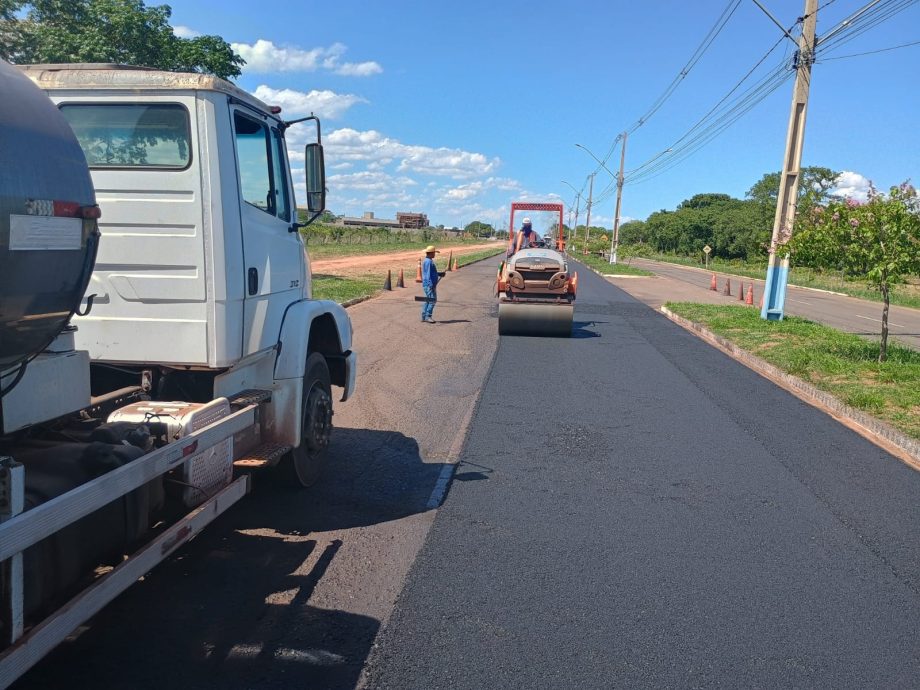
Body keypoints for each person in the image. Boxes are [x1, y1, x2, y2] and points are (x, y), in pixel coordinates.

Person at [421, 245, 445, 323]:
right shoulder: (428, 262)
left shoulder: (428, 260)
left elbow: (432, 273)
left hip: (428, 284)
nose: (434, 254)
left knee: (428, 300)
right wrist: (430, 285)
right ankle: (428, 316)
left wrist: (439, 274)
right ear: (430, 253)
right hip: (429, 285)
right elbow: (427, 275)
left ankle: (424, 316)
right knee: (432, 300)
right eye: (434, 253)